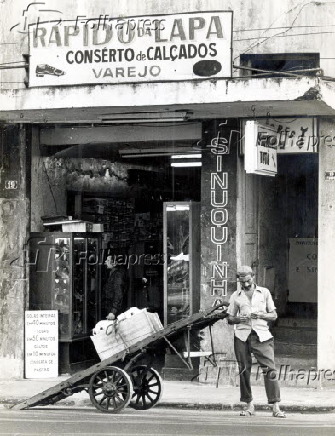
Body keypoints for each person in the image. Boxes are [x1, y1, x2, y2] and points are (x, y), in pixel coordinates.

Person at [227, 265, 286, 418]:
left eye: (247, 281)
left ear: (252, 276)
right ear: (238, 280)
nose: (245, 284)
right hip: (242, 337)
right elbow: (229, 318)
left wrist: (261, 315)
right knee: (243, 370)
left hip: (262, 336)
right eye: (242, 282)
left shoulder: (264, 293)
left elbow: (273, 315)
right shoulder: (236, 296)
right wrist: (239, 319)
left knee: (270, 370)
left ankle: (276, 406)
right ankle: (248, 405)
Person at [104, 254, 128, 320]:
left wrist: (113, 311)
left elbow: (118, 293)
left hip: (114, 310)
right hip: (112, 307)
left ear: (114, 263)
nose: (105, 262)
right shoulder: (112, 273)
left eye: (108, 260)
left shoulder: (117, 275)